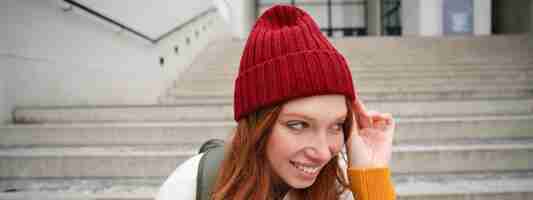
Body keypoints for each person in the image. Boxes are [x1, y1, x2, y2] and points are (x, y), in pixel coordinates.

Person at [156, 4, 395, 200]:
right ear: (257, 124)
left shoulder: (344, 186)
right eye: (298, 125)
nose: (323, 153)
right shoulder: (189, 186)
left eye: (336, 126)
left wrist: (371, 180)